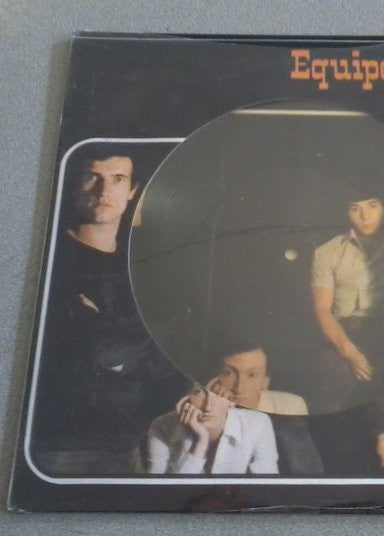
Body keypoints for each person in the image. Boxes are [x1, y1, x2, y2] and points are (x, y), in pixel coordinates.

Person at [33, 145, 187, 475]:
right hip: (63, 446)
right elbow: (100, 350)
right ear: (74, 185)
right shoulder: (48, 260)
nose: (104, 191)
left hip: (135, 443)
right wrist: (132, 342)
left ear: (132, 190)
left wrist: (104, 329)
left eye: (118, 179)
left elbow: (168, 355)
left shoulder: (141, 269)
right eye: (93, 177)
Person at [310, 191, 384, 472]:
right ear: (345, 212)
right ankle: (355, 457)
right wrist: (350, 352)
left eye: (373, 206)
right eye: (355, 208)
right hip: (345, 329)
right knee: (332, 375)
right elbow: (322, 311)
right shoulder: (327, 252)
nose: (365, 216)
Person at [203, 340, 324, 474]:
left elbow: (301, 468)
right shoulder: (206, 407)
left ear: (265, 381)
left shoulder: (290, 405)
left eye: (251, 375)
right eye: (229, 373)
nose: (239, 387)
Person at [147, 384, 279, 474]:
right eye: (198, 392)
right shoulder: (162, 426)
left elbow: (268, 490)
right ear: (185, 397)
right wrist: (200, 442)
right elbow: (160, 493)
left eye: (219, 394)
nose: (208, 406)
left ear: (231, 401)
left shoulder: (258, 423)